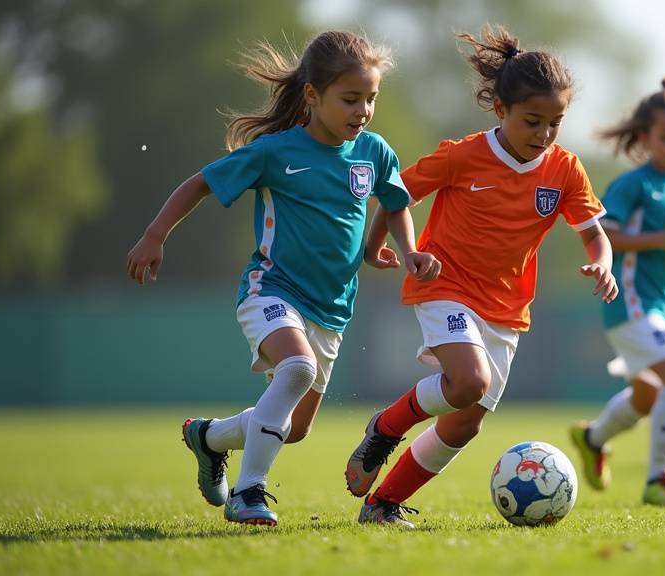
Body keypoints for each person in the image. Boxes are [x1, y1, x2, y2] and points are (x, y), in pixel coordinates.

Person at [125, 31, 439, 526]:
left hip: (332, 307)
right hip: (269, 290)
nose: (363, 110)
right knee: (298, 368)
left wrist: (409, 249)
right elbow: (201, 183)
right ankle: (248, 493)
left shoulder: (373, 151)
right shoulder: (276, 151)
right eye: (350, 99)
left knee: (292, 429)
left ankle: (207, 438)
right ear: (312, 96)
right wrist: (154, 234)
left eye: (371, 99)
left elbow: (397, 203)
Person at [343, 24, 618, 528]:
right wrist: (377, 244)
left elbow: (594, 233)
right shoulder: (462, 155)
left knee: (464, 422)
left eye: (555, 123)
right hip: (445, 283)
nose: (544, 135)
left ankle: (382, 505)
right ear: (501, 110)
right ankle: (384, 428)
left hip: (507, 306)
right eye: (533, 121)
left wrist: (602, 260)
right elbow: (394, 191)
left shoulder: (565, 169)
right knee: (469, 380)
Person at [569, 78, 665, 508]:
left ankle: (593, 439)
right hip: (630, 303)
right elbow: (604, 232)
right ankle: (659, 480)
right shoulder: (634, 185)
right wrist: (661, 238)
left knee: (648, 395)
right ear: (646, 138)